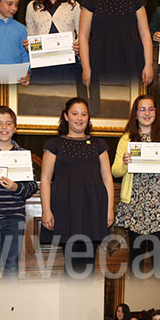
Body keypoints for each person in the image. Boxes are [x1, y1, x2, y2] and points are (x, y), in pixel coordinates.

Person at [40, 97, 114, 274]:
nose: (79, 118)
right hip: (66, 210)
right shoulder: (54, 144)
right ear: (66, 116)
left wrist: (110, 209)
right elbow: (45, 178)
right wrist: (46, 210)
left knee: (88, 265)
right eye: (75, 114)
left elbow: (107, 178)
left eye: (84, 114)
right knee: (72, 265)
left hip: (94, 209)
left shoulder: (99, 144)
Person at [112, 94, 160, 272]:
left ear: (156, 112)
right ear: (135, 113)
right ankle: (134, 296)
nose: (146, 113)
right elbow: (115, 171)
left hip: (158, 203)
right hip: (135, 203)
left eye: (150, 109)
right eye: (142, 109)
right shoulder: (126, 138)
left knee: (158, 254)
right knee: (136, 253)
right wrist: (125, 164)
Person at [79, 0, 154, 92]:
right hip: (99, 61)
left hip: (132, 60)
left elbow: (145, 35)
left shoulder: (136, 0)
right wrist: (86, 68)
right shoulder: (90, 1)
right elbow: (83, 37)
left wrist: (148, 65)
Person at [0, 105, 38, 276]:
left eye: (8, 124)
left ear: (15, 128)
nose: (4, 128)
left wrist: (16, 187)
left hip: (14, 219)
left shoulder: (24, 155)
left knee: (11, 266)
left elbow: (32, 186)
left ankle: (9, 304)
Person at [25, 0, 81, 80]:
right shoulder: (32, 6)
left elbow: (82, 34)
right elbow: (31, 35)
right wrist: (29, 46)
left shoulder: (74, 6)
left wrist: (78, 44)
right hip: (42, 65)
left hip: (68, 64)